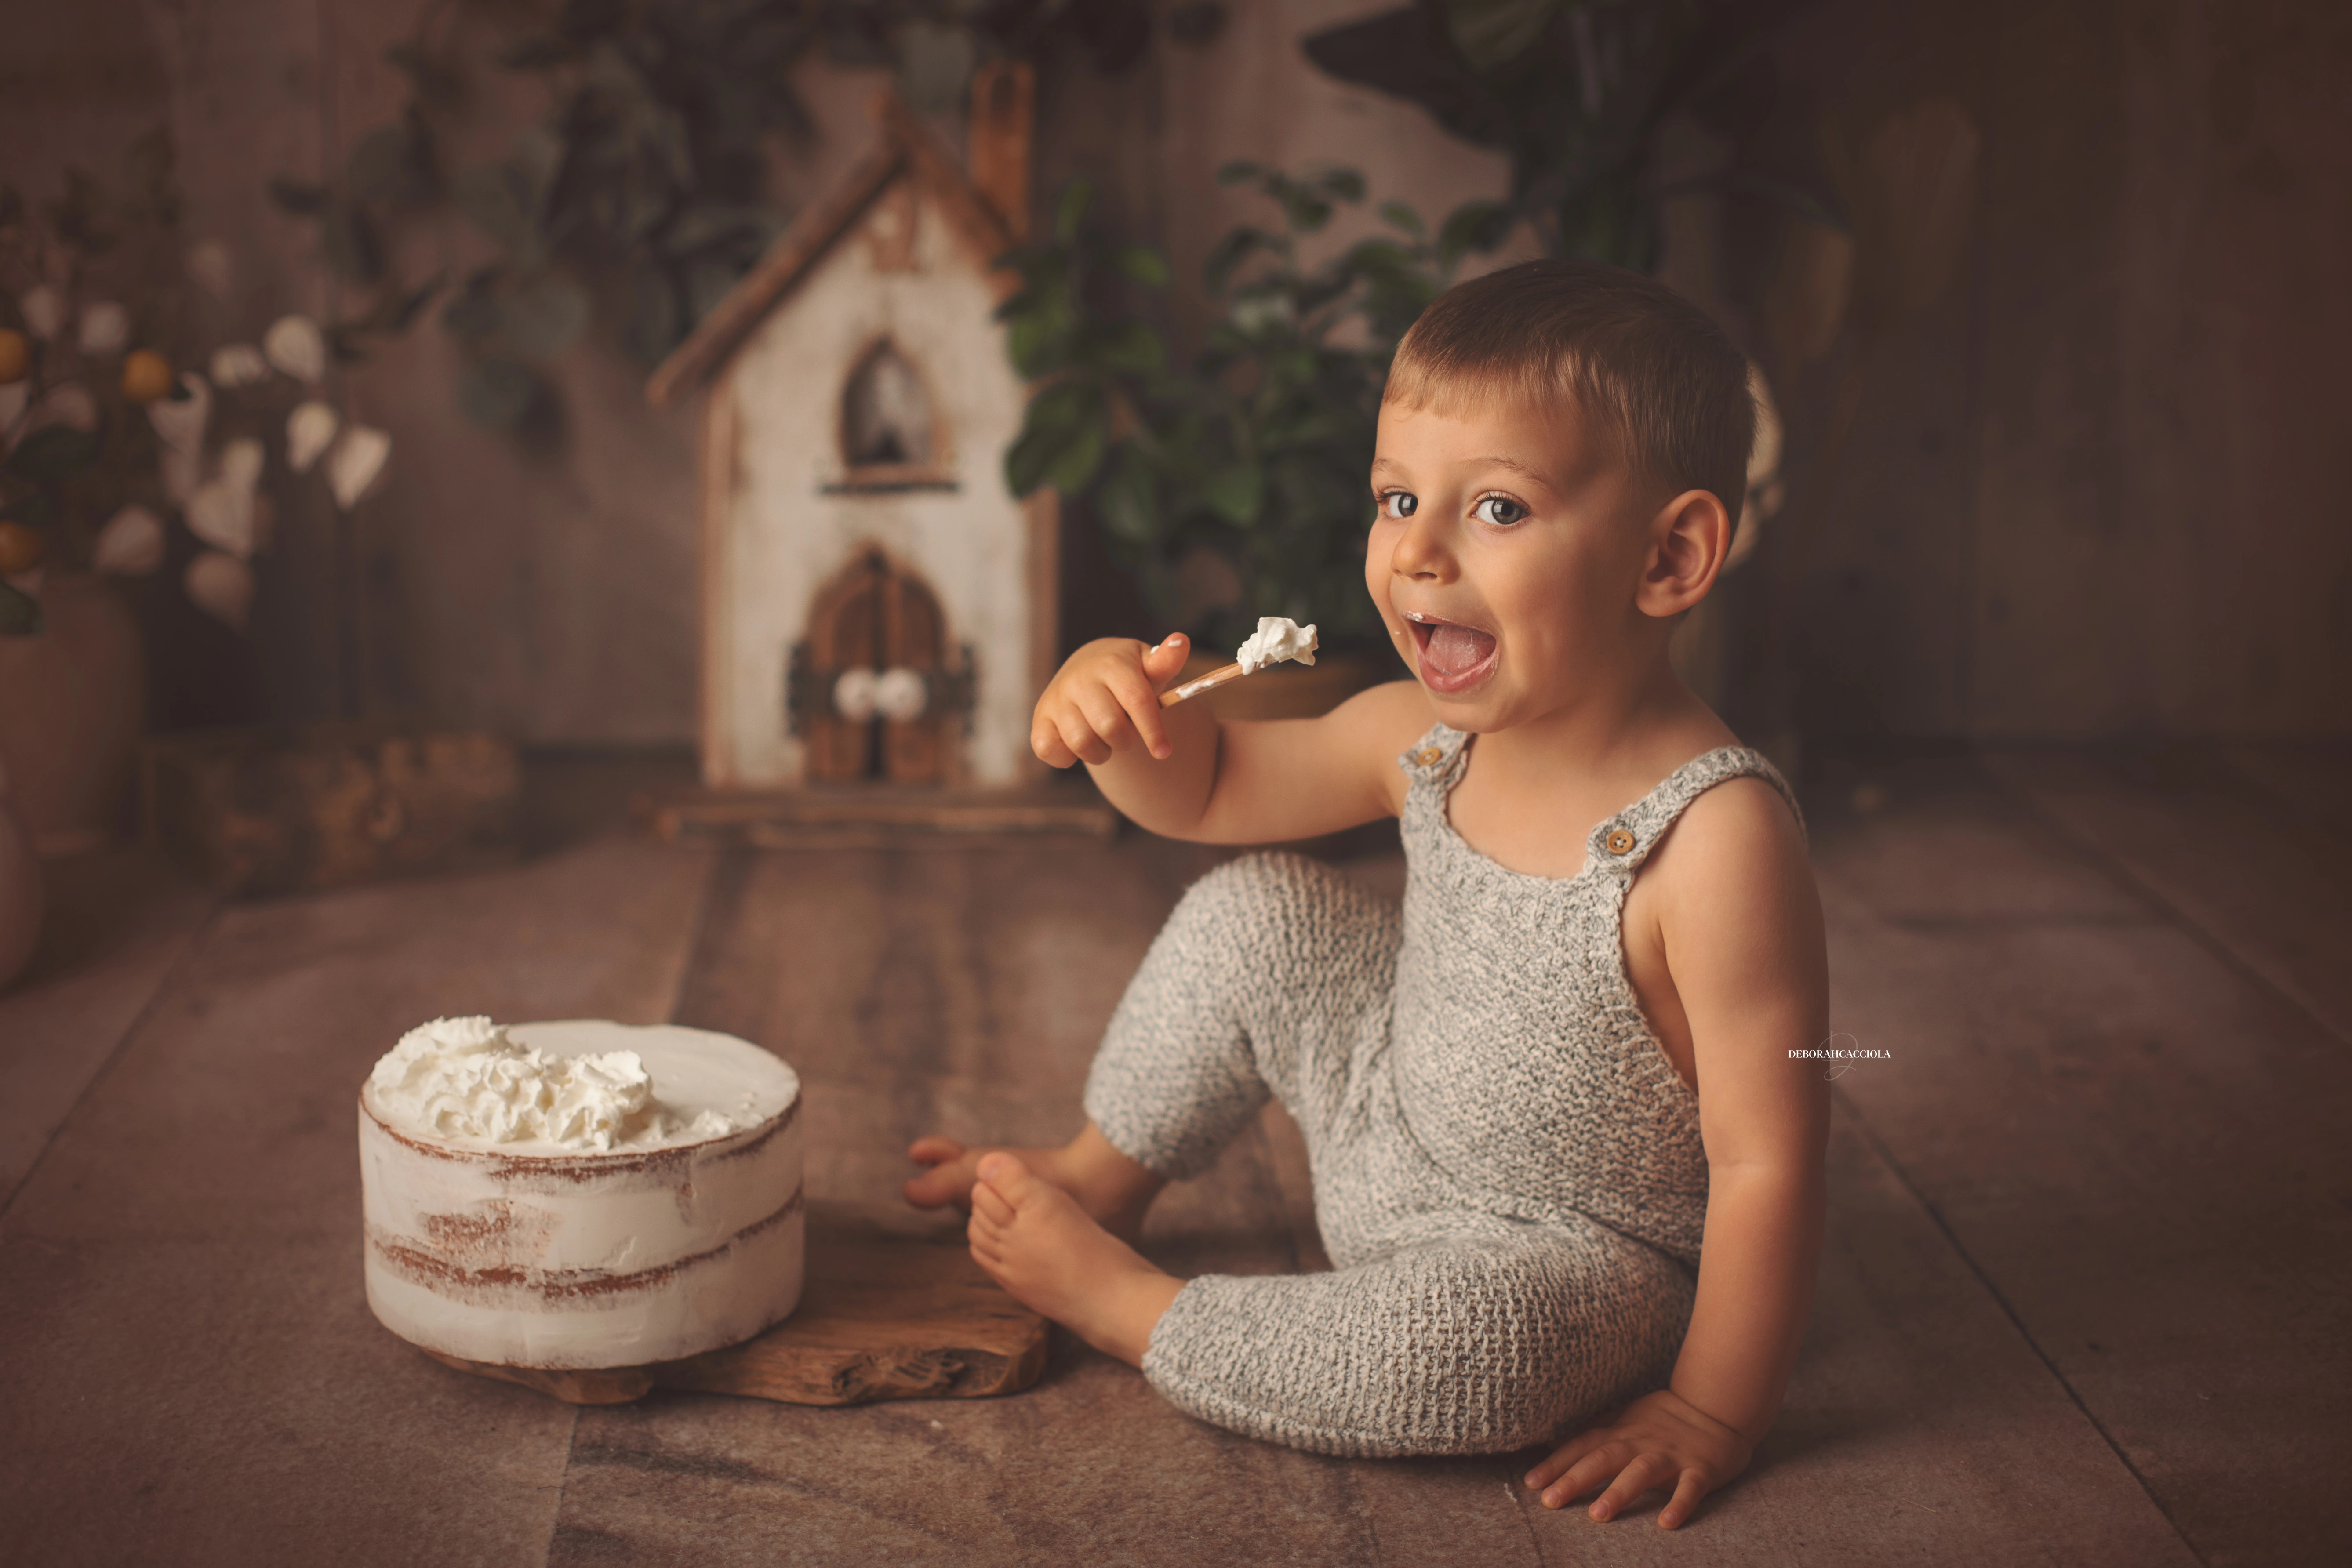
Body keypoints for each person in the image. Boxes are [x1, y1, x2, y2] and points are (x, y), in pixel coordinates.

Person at [903, 259, 1829, 1531]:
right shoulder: (1423, 738)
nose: (1419, 555)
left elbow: (1768, 1158)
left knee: (1481, 1348)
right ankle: (1096, 1174)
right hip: (1382, 1119)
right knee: (1258, 907)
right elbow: (1211, 787)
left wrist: (1711, 1412)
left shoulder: (1713, 840)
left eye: (1496, 509)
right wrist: (1117, 715)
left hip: (1570, 1260)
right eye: (1398, 499)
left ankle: (1131, 1308)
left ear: (1667, 556)